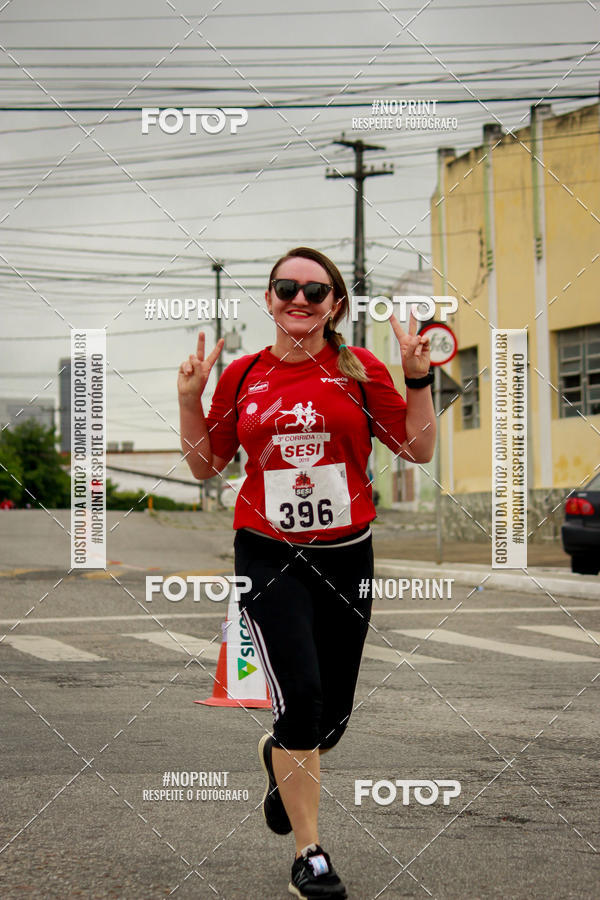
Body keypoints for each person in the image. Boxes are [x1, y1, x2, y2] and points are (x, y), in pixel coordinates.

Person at [178, 247, 435, 899]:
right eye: (285, 287)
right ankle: (310, 854)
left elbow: (416, 446)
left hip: (348, 552)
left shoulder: (359, 368)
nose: (299, 298)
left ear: (335, 306)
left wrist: (418, 381)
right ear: (268, 299)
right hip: (266, 551)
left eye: (314, 291)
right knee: (301, 699)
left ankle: (278, 759)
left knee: (331, 719)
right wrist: (189, 398)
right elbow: (206, 466)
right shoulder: (242, 375)